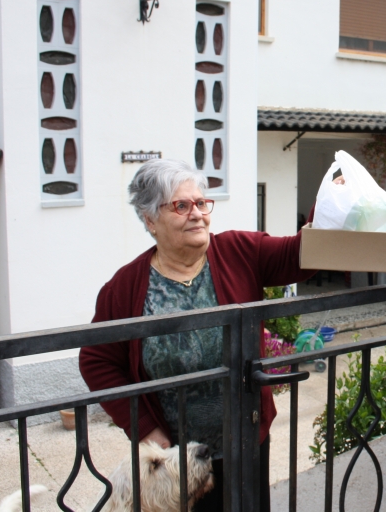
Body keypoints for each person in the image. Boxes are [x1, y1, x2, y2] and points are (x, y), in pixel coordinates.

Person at [80, 159, 319, 512]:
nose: (197, 214)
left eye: (201, 203)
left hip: (245, 443)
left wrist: (332, 200)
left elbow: (302, 255)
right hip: (181, 465)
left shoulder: (240, 252)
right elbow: (97, 361)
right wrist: (144, 428)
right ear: (149, 220)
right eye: (181, 205)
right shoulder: (124, 289)